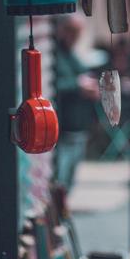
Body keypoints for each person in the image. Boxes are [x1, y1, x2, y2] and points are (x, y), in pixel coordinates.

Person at [54, 15, 99, 191]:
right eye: (72, 32)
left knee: (70, 180)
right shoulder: (56, 53)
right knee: (61, 180)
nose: (75, 37)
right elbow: (53, 85)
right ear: (62, 30)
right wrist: (78, 85)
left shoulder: (71, 53)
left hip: (79, 126)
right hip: (64, 126)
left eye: (79, 33)